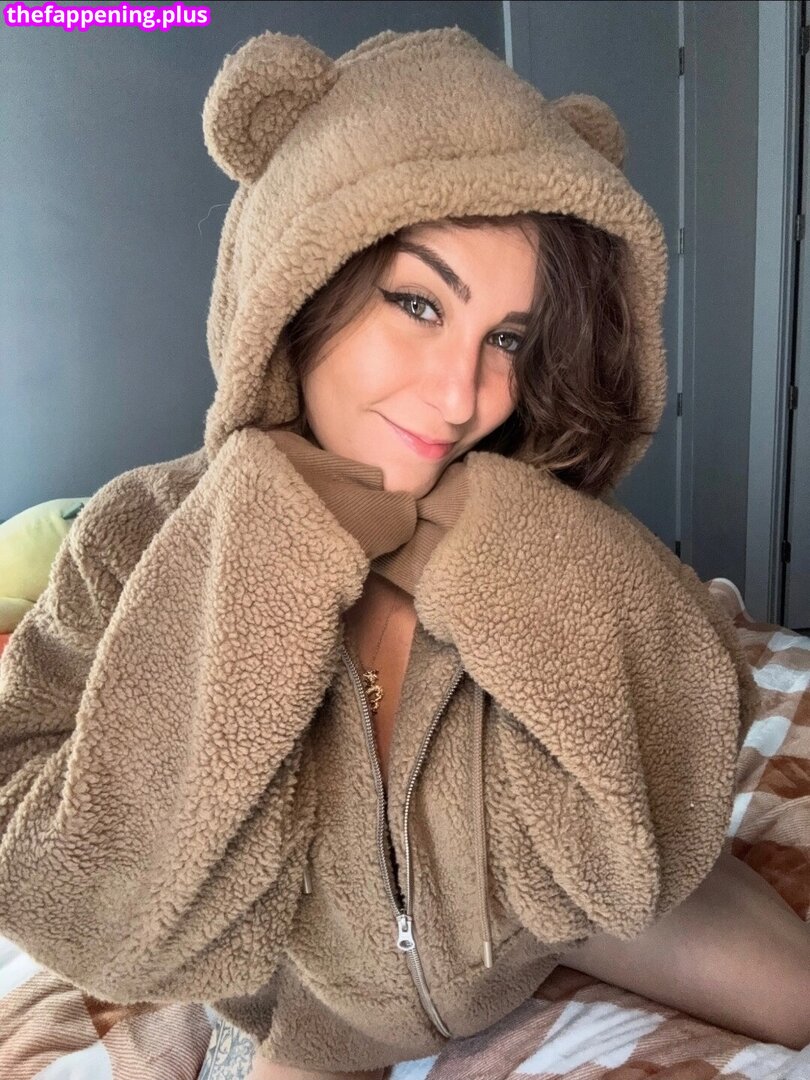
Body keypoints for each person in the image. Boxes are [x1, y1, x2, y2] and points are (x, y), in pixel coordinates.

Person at [0, 25, 807, 1080]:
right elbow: (56, 873)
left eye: (507, 338)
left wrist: (501, 553)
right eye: (418, 303)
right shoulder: (134, 538)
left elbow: (672, 769)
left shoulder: (538, 526)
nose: (463, 396)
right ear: (300, 287)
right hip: (320, 1009)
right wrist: (265, 556)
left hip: (533, 929)